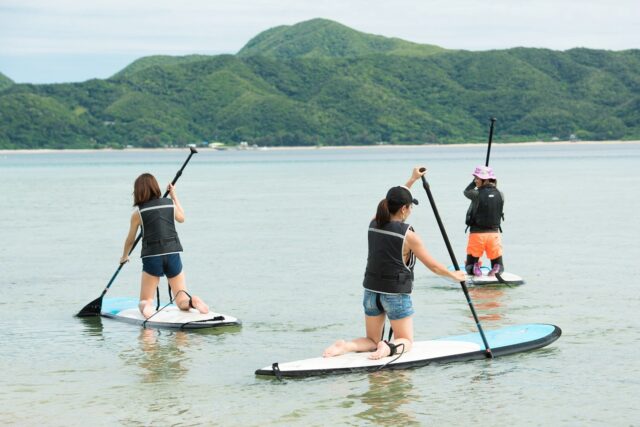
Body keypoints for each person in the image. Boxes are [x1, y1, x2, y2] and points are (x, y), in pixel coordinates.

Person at [323, 167, 466, 360]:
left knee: (371, 339)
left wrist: (412, 180)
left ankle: (346, 346)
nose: (411, 210)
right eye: (410, 206)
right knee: (406, 341)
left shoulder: (373, 222)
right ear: (403, 209)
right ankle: (388, 348)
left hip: (371, 291)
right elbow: (433, 266)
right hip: (395, 295)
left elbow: (392, 198)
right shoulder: (409, 236)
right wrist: (454, 276)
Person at [120, 173, 209, 319]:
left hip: (152, 256)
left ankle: (148, 306)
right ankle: (192, 301)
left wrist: (124, 256)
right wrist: (173, 195)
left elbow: (130, 239)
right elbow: (182, 218)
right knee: (181, 300)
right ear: (155, 188)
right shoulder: (169, 203)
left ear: (138, 192)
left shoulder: (138, 213)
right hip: (173, 253)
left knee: (145, 300)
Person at [463, 165, 505, 277]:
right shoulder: (500, 194)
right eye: (475, 178)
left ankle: (475, 267)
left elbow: (466, 191)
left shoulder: (475, 194)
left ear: (485, 180)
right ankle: (496, 268)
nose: (475, 180)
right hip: (494, 235)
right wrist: (483, 181)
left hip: (477, 235)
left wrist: (473, 183)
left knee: (469, 266)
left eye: (477, 178)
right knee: (499, 264)